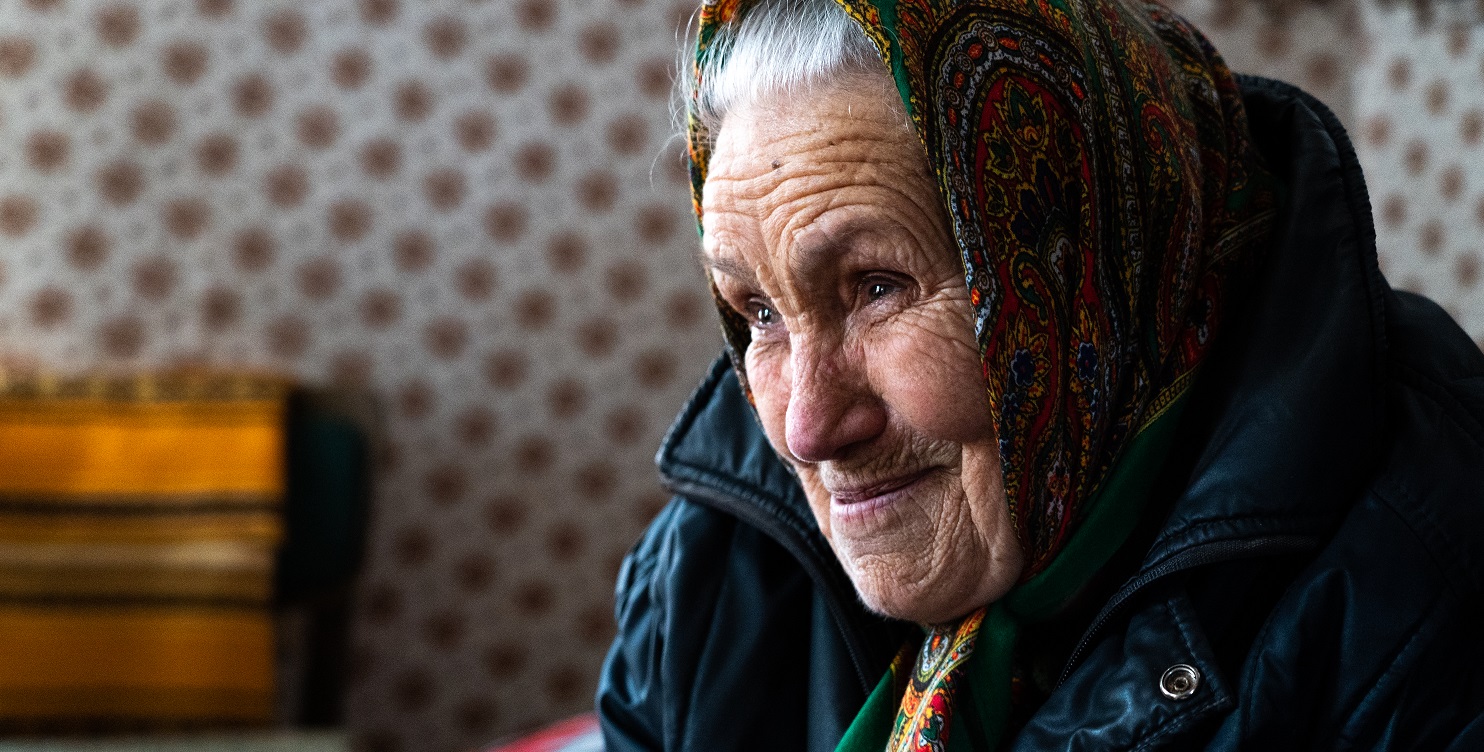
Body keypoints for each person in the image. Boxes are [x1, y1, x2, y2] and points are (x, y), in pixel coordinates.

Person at [597, 0, 1484, 748]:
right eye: (759, 314)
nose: (806, 428)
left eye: (877, 288)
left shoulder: (1425, 587)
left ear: (1087, 259)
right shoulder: (705, 571)